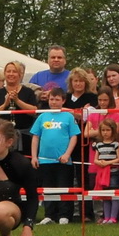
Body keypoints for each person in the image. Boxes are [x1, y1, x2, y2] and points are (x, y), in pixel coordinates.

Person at [29, 88, 78, 224]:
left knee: (64, 187)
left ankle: (64, 215)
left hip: (63, 161)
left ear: (63, 101)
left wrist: (67, 154)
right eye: (51, 99)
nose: (54, 102)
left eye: (57, 99)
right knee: (48, 188)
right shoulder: (42, 116)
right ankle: (49, 215)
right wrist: (34, 157)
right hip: (44, 161)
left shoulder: (68, 116)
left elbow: (74, 136)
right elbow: (35, 137)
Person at [89, 119, 119, 223]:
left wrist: (108, 163)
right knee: (105, 196)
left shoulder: (116, 144)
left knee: (113, 195)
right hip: (102, 174)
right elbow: (95, 159)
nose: (105, 133)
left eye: (108, 130)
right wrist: (99, 162)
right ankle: (106, 217)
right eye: (103, 130)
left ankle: (113, 217)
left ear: (113, 131)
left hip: (113, 173)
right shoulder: (98, 145)